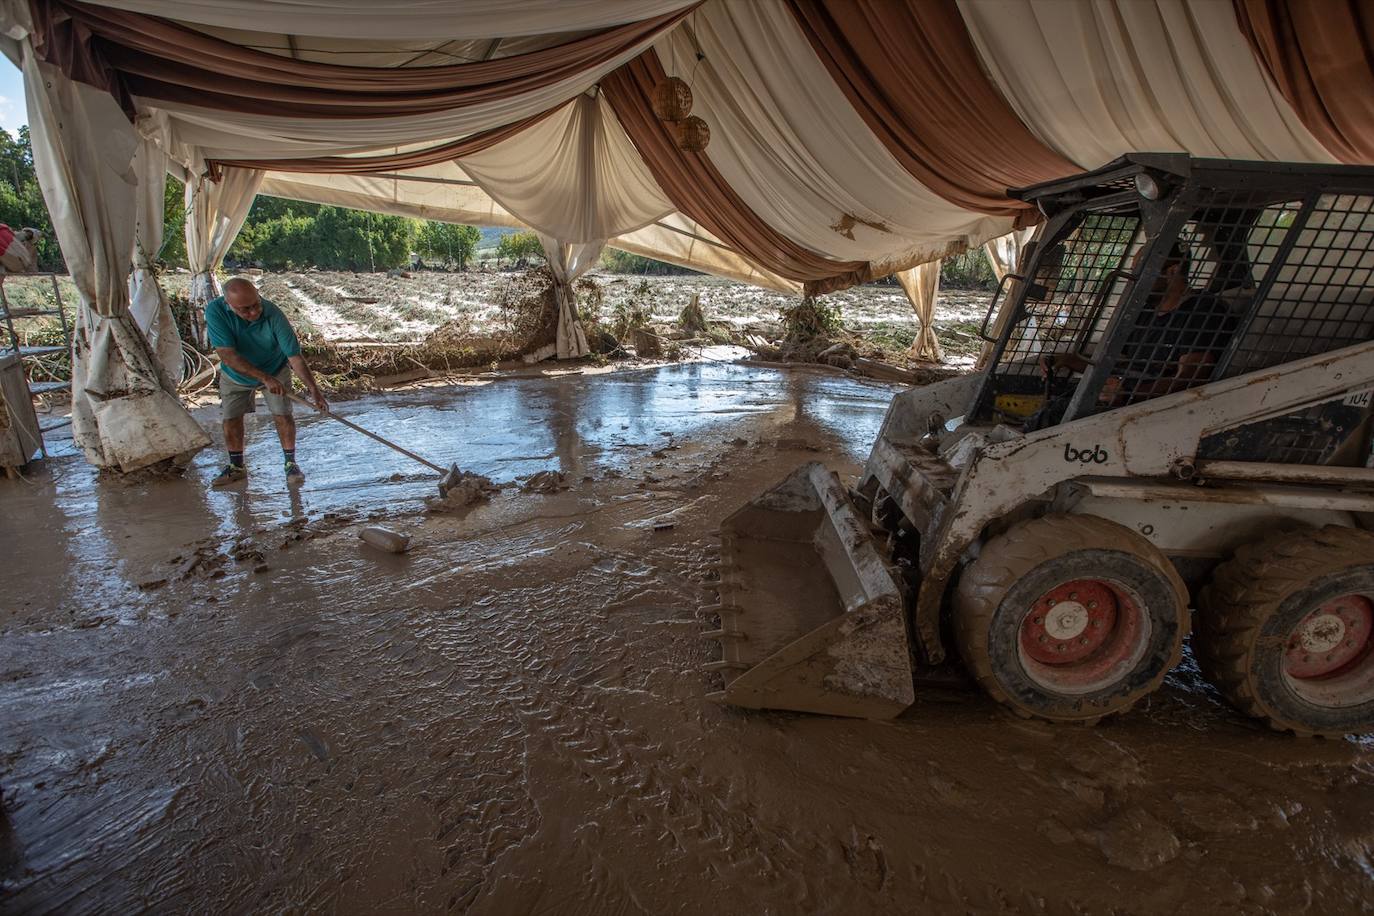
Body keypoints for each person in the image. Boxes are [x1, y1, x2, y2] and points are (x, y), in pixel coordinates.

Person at [1034, 243, 1238, 422]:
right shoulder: (1146, 313)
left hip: (1155, 412)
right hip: (1122, 401)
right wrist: (1069, 360)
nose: (1134, 279)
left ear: (1172, 271)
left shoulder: (1203, 311)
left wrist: (1128, 392)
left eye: (1141, 271)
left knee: (1052, 418)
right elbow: (1116, 363)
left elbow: (1188, 379)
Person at [205, 276, 327, 488]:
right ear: (229, 305)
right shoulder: (215, 312)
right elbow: (227, 355)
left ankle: (290, 463)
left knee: (282, 413)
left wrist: (314, 390)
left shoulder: (273, 314)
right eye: (245, 309)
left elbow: (294, 357)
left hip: (274, 368)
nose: (254, 312)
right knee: (231, 417)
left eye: (256, 305)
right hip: (236, 374)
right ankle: (236, 467)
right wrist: (263, 378)